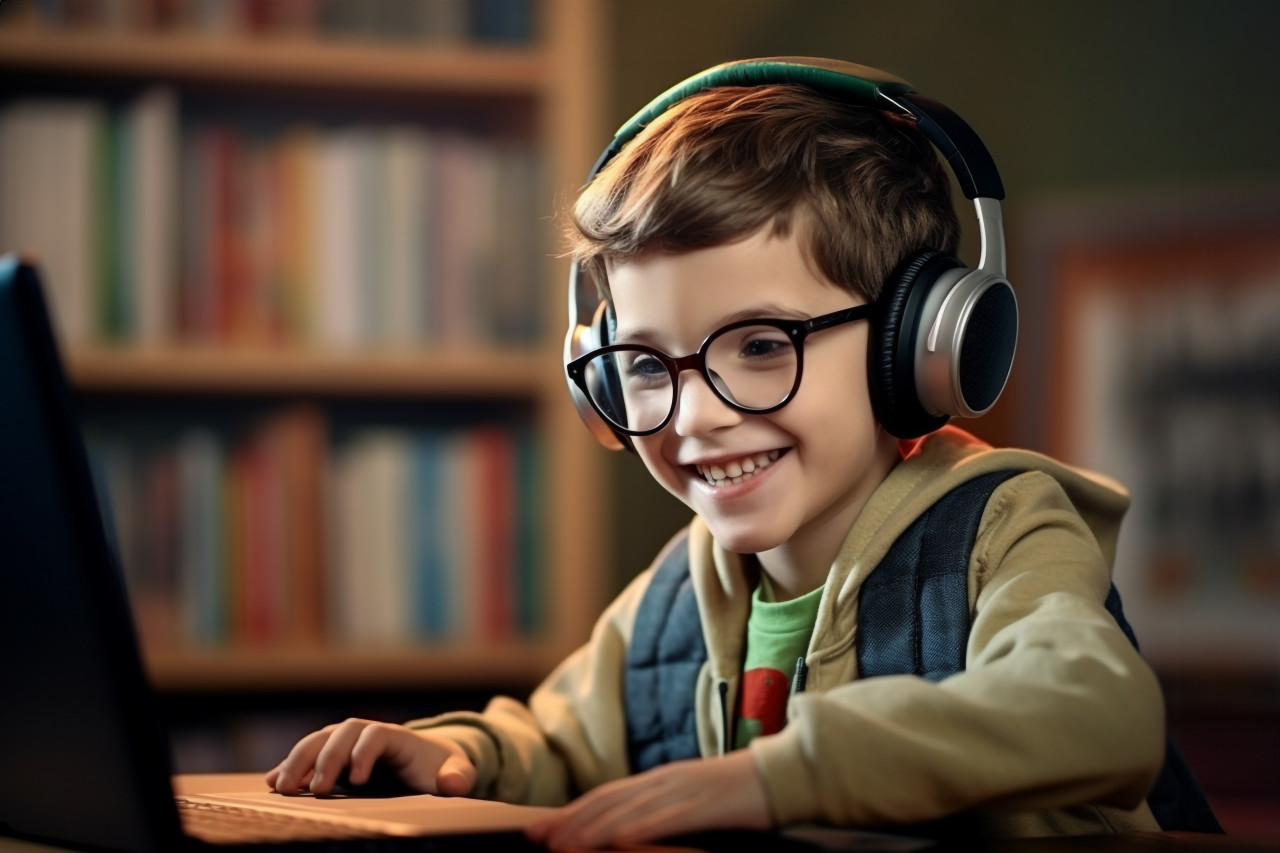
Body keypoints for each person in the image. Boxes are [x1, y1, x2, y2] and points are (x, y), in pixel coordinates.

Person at [266, 58, 1174, 847]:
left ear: (921, 346)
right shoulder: (678, 591)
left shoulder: (1001, 528)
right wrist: (458, 754)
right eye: (648, 365)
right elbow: (561, 740)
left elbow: (1097, 712)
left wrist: (787, 774)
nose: (695, 416)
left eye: (763, 345)